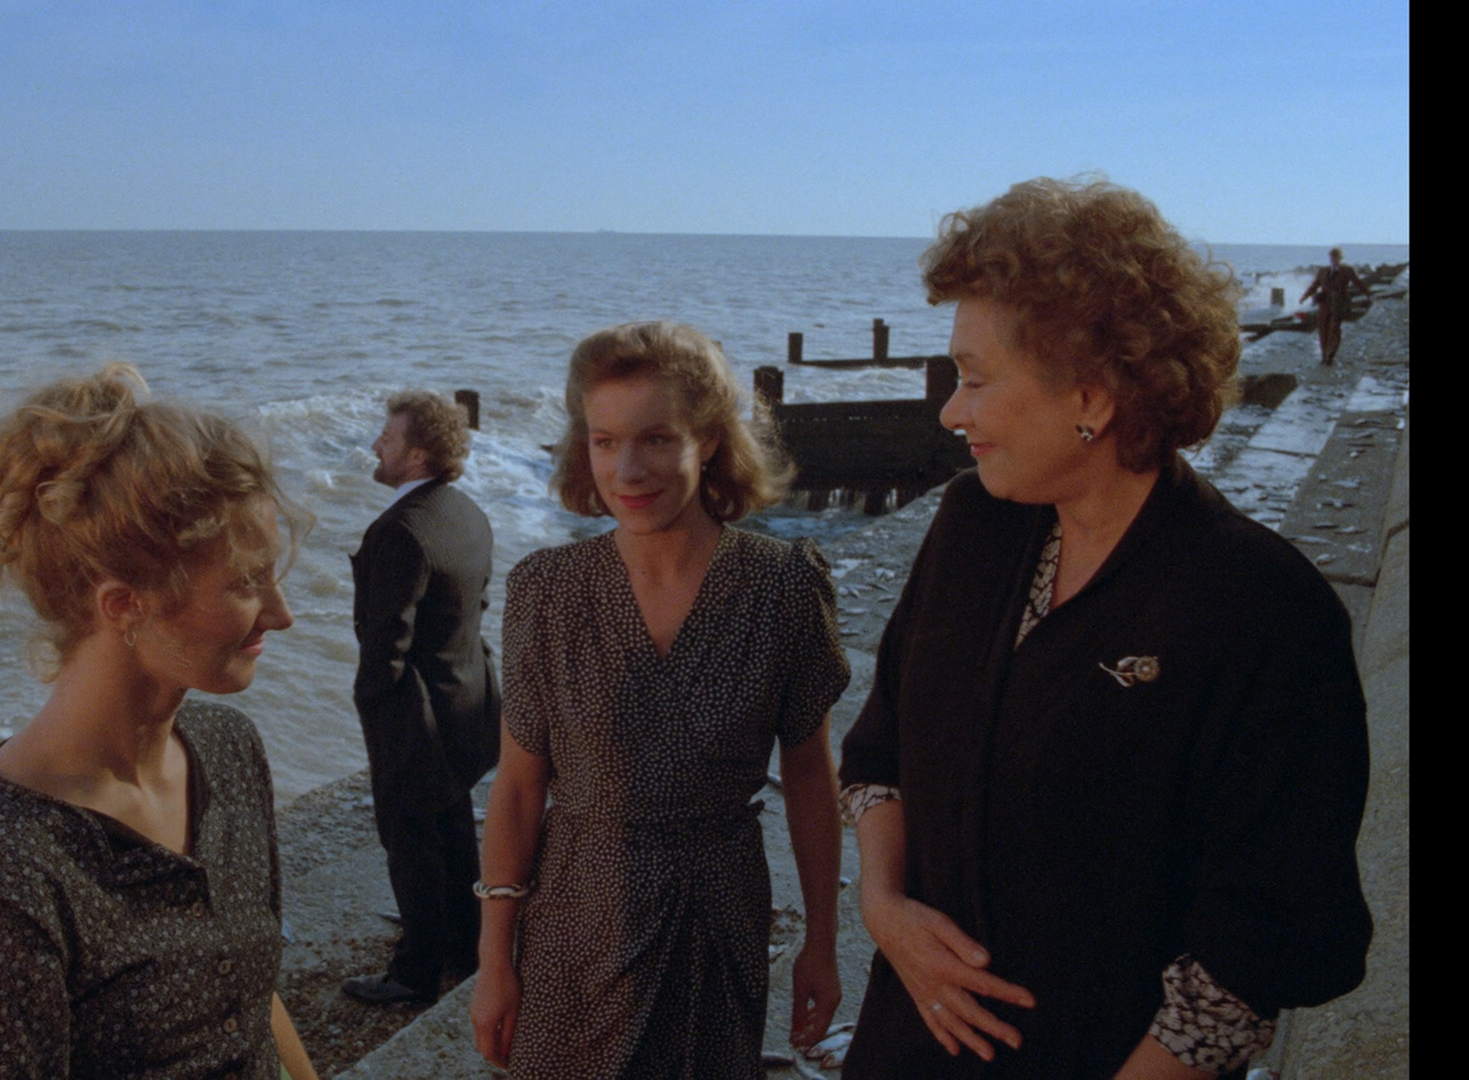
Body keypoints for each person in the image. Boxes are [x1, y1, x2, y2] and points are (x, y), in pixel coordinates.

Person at [838, 178, 1373, 1079]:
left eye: (975, 380)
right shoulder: (972, 526)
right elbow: (879, 749)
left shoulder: (1263, 610)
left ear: (1090, 399)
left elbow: (1260, 948)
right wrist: (884, 908)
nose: (950, 412)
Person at [0, 364, 319, 1080]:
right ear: (124, 605)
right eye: (246, 582)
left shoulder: (227, 750)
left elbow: (247, 998)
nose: (281, 614)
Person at [470, 321, 851, 1079]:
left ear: (707, 439)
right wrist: (494, 960)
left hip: (717, 917)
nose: (627, 470)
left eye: (655, 438)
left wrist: (822, 939)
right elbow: (517, 789)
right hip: (575, 920)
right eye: (605, 441)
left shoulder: (783, 586)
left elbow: (811, 774)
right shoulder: (546, 590)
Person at [341, 390, 502, 1006]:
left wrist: (375, 708)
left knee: (409, 839)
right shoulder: (466, 512)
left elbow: (386, 644)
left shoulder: (400, 532)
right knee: (453, 827)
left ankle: (415, 974)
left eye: (387, 436)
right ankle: (467, 948)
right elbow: (474, 607)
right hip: (468, 698)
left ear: (416, 455)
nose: (375, 444)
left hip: (418, 715)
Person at [1300, 247, 1371, 365]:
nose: (1334, 260)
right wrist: (1305, 296)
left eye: (1336, 257)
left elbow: (1358, 283)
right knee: (1323, 331)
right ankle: (1324, 356)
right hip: (1324, 305)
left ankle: (1330, 355)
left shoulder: (1347, 270)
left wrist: (1369, 294)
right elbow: (1314, 285)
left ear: (1340, 258)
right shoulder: (1323, 271)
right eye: (1332, 257)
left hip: (1339, 305)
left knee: (1334, 330)